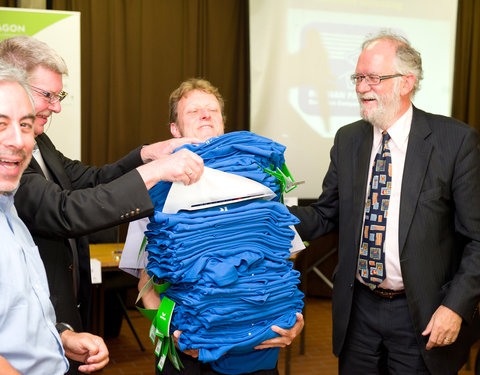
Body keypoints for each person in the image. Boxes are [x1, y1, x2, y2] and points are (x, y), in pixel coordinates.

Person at [0, 34, 204, 369]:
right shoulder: (15, 169)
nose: (57, 106)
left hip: (57, 327)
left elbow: (85, 178)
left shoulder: (40, 143)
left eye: (24, 125)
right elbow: (66, 210)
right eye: (47, 95)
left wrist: (145, 156)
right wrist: (156, 172)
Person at [289, 30, 480, 375]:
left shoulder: (455, 142)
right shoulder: (349, 139)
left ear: (406, 82)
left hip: (422, 315)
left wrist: (456, 307)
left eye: (373, 78)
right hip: (358, 311)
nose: (362, 87)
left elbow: (478, 240)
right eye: (358, 77)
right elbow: (325, 213)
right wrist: (261, 216)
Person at [138, 77, 304, 375]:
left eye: (212, 110)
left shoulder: (261, 181)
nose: (205, 115)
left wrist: (291, 319)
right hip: (188, 355)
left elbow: (281, 265)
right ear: (174, 130)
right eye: (193, 111)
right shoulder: (157, 188)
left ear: (223, 124)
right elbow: (145, 287)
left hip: (258, 349)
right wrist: (172, 334)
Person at [0, 60, 109, 375]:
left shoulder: (12, 217)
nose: (19, 141)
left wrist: (62, 336)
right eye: (1, 123)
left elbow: (18, 316)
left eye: (25, 124)